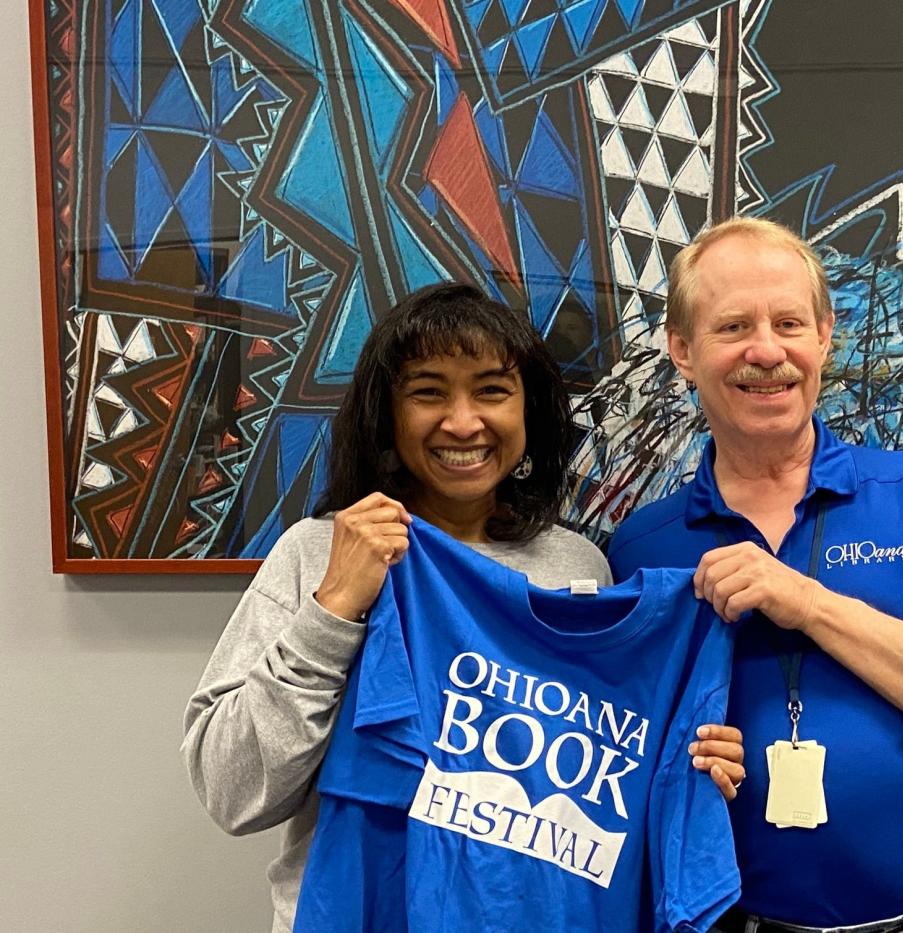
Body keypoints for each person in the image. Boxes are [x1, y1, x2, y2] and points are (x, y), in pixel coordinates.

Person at [182, 282, 742, 933]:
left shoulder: (580, 568)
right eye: (428, 391)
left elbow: (601, 778)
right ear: (386, 413)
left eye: (491, 390)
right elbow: (230, 790)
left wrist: (686, 758)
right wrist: (332, 611)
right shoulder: (320, 553)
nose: (463, 420)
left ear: (528, 409)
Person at [607, 218, 903, 933]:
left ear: (824, 336)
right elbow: (622, 760)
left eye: (788, 322)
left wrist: (806, 602)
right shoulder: (640, 547)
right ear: (682, 350)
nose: (767, 351)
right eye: (733, 326)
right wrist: (683, 765)